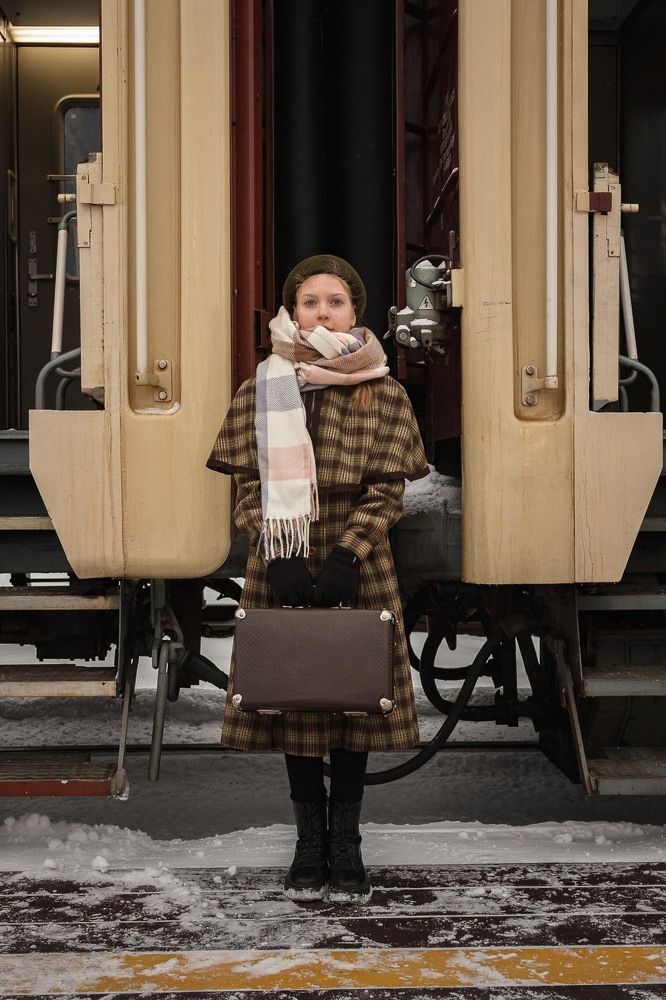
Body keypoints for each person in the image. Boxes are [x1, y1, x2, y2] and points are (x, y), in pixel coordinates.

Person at [207, 254, 428, 902]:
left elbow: (387, 491)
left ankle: (346, 840)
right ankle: (310, 843)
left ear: (355, 312)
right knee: (295, 696)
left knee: (354, 698)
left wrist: (347, 555)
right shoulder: (263, 386)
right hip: (282, 552)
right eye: (310, 302)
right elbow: (248, 485)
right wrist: (276, 552)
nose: (323, 313)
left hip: (358, 558)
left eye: (335, 301)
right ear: (292, 313)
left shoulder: (383, 391)